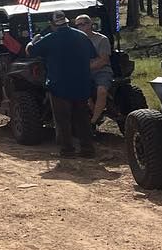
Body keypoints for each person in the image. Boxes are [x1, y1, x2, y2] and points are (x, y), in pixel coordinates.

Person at [27, 9, 98, 158]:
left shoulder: (50, 38)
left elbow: (31, 52)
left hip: (59, 85)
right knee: (82, 118)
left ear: (52, 24)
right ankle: (87, 149)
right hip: (81, 83)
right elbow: (92, 56)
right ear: (66, 22)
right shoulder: (82, 36)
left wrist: (32, 41)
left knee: (62, 119)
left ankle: (67, 150)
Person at [75, 14, 112, 130]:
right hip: (82, 73)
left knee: (102, 91)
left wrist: (85, 68)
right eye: (78, 25)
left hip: (101, 71)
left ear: (90, 24)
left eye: (84, 23)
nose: (81, 27)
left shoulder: (102, 39)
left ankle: (93, 121)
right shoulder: (75, 41)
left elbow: (103, 60)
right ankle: (92, 112)